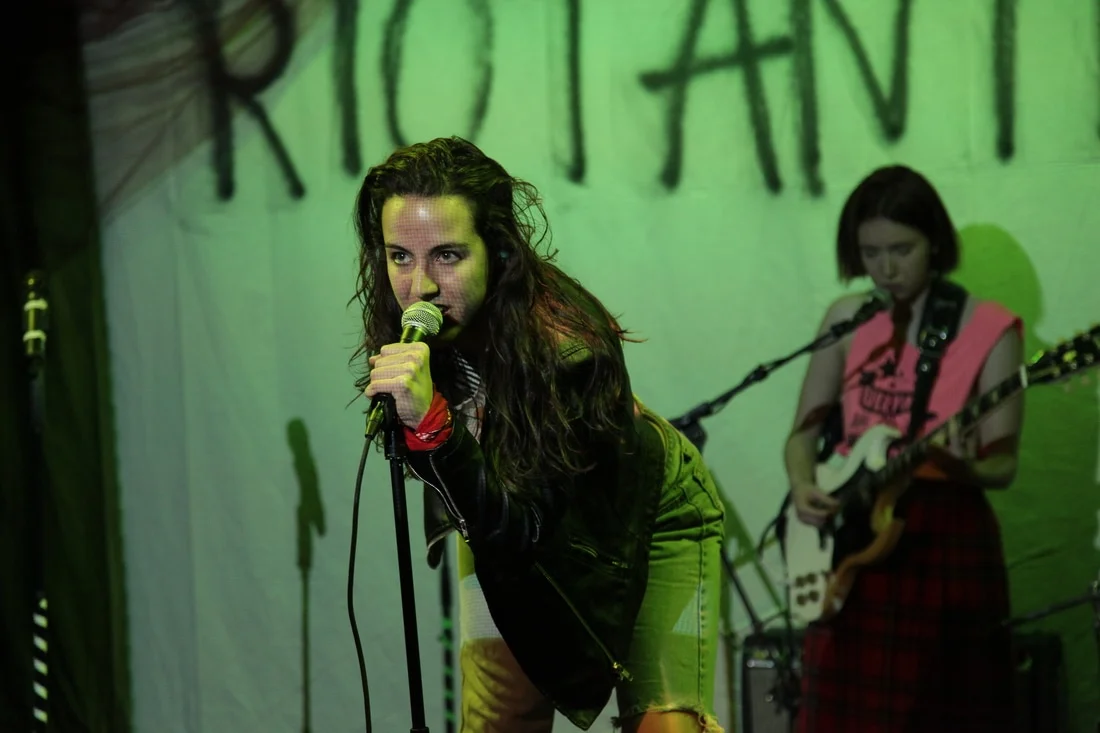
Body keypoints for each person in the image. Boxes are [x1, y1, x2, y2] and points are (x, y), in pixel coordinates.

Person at [351, 136, 726, 733]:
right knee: (499, 719)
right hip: (498, 518)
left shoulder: (569, 352)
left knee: (665, 727)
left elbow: (528, 527)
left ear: (498, 251)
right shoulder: (415, 326)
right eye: (399, 256)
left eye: (447, 256)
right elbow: (493, 515)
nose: (419, 286)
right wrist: (427, 431)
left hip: (647, 516)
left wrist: (434, 427)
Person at [783, 165, 1024, 732]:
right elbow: (802, 435)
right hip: (853, 536)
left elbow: (1003, 465)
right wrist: (803, 484)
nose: (886, 269)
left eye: (901, 250)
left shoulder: (990, 329)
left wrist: (960, 465)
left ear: (934, 242)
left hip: (943, 536)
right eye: (870, 253)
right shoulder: (846, 319)